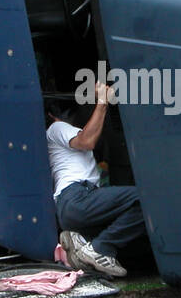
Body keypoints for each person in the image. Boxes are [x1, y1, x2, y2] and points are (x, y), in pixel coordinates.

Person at [45, 81, 146, 278]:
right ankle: (100, 248)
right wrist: (102, 102)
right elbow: (87, 141)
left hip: (71, 206)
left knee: (135, 233)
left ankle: (84, 244)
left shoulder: (56, 141)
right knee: (144, 198)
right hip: (76, 197)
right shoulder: (57, 128)